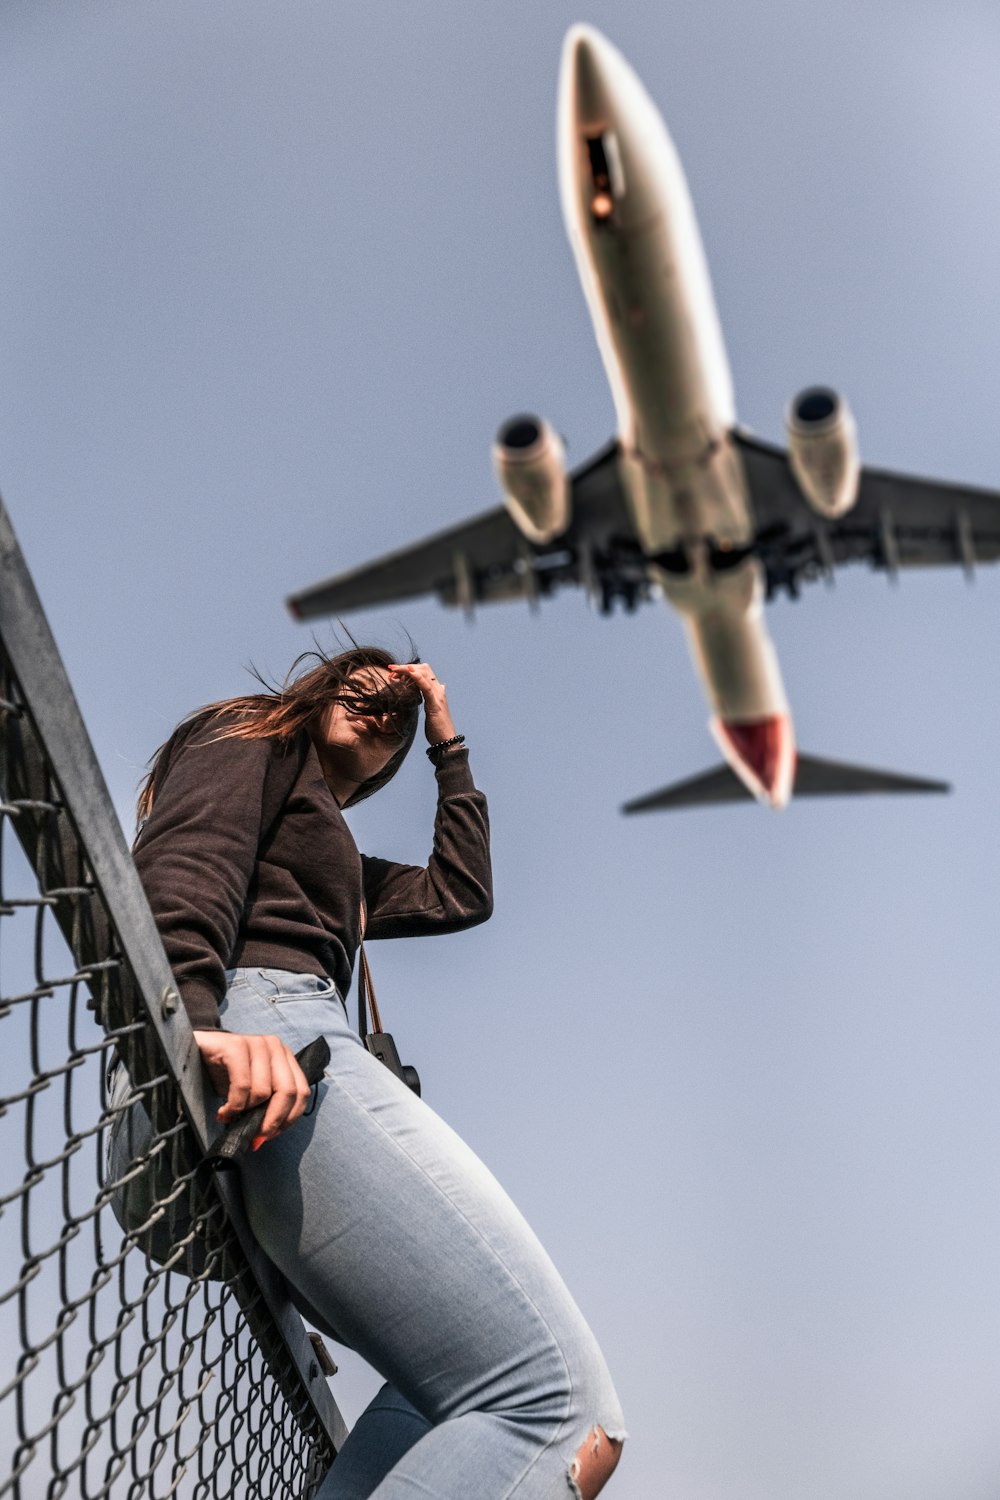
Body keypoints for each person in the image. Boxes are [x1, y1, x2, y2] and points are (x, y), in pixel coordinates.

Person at [117, 645, 625, 1499]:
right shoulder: (254, 735)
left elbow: (460, 892)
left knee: (436, 1396)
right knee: (562, 1408)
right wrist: (193, 1029)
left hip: (284, 1048)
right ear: (314, 692)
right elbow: (189, 864)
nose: (378, 700)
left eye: (395, 712)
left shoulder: (338, 861)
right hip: (260, 1036)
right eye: (358, 683)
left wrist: (445, 741)